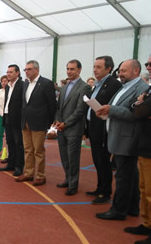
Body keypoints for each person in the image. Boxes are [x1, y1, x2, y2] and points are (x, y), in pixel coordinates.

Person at [95, 59, 149, 220]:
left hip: (127, 138)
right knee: (130, 175)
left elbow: (135, 114)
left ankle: (118, 210)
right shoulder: (125, 87)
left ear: (136, 71)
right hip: (119, 136)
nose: (120, 74)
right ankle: (132, 207)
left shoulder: (142, 88)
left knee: (123, 176)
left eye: (124, 70)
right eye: (120, 70)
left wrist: (111, 109)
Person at [85, 56, 122, 204]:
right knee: (97, 160)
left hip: (103, 129)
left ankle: (105, 192)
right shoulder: (98, 84)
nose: (95, 70)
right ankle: (100, 187)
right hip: (94, 127)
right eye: (94, 67)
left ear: (109, 68)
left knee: (103, 161)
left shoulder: (113, 84)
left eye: (99, 67)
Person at [54, 60, 92, 195]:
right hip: (61, 128)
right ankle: (67, 178)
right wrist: (57, 120)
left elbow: (80, 110)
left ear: (79, 70)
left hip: (74, 129)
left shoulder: (85, 87)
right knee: (64, 156)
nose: (69, 71)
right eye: (67, 69)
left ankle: (73, 184)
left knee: (73, 158)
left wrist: (66, 123)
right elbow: (58, 107)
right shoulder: (64, 87)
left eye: (72, 69)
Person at [16, 60, 56, 186]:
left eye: (29, 69)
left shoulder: (46, 83)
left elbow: (52, 104)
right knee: (28, 149)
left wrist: (49, 122)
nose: (26, 71)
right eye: (25, 69)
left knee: (38, 150)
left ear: (37, 70)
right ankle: (28, 173)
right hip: (25, 121)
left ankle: (40, 175)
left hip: (39, 122)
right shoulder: (26, 84)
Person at [125, 64, 151, 244]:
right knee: (144, 189)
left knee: (150, 191)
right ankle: (147, 224)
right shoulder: (149, 87)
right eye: (148, 63)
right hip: (144, 144)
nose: (148, 66)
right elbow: (135, 108)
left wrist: (141, 106)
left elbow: (141, 111)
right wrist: (140, 105)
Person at [0, 65, 25, 176]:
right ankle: (11, 164)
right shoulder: (8, 86)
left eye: (11, 72)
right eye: (7, 72)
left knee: (19, 143)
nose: (8, 74)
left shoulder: (23, 85)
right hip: (7, 117)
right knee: (10, 142)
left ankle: (19, 167)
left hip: (17, 118)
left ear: (17, 73)